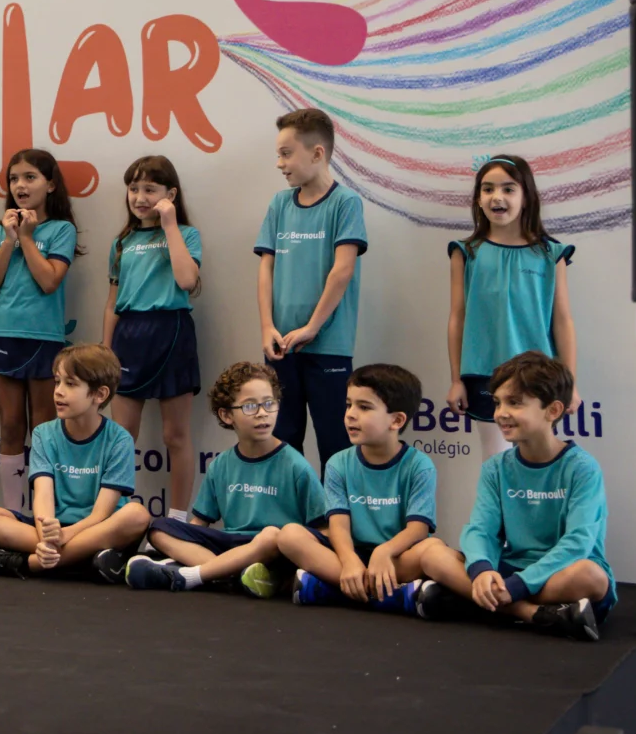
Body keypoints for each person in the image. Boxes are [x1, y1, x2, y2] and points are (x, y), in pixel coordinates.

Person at [414, 352, 613, 641]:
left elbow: (578, 542)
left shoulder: (582, 468)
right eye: (498, 402)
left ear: (553, 410)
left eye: (515, 402)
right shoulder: (496, 467)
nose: (501, 413)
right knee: (431, 553)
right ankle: (535, 614)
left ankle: (473, 601)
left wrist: (519, 585)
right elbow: (480, 529)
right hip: (509, 572)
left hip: (559, 573)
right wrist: (482, 570)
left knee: (590, 576)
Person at [126, 361, 324, 595]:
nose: (262, 413)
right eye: (250, 406)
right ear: (227, 415)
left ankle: (193, 575)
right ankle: (230, 574)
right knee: (160, 528)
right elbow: (199, 523)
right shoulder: (221, 464)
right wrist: (181, 539)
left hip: (272, 549)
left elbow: (322, 530)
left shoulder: (296, 465)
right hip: (229, 544)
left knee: (271, 536)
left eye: (269, 404)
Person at [0, 344, 149, 579]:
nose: (58, 391)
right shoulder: (44, 433)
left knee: (137, 515)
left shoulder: (119, 439)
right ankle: (81, 560)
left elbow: (101, 514)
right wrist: (48, 538)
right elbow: (43, 497)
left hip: (95, 528)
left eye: (70, 384)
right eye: (57, 382)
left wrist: (67, 535)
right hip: (52, 529)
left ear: (99, 395)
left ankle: (27, 563)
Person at [255, 108, 367, 466]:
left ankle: (334, 507)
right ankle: (291, 505)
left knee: (336, 443)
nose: (279, 163)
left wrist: (312, 327)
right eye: (278, 154)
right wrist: (267, 327)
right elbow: (266, 267)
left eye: (286, 154)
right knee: (282, 442)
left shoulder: (345, 203)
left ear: (317, 153)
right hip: (281, 347)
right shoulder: (279, 204)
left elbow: (342, 270)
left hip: (329, 346)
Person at [279, 364, 436, 613]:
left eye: (364, 407)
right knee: (289, 535)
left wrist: (384, 551)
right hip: (350, 554)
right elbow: (338, 525)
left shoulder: (419, 465)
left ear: (396, 420)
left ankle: (332, 590)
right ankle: (394, 597)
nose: (350, 414)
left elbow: (418, 529)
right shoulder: (338, 463)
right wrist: (350, 559)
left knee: (434, 552)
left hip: (395, 557)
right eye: (349, 404)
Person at [447, 154, 577, 457]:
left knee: (539, 461)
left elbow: (562, 320)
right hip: (485, 375)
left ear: (526, 197)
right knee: (496, 461)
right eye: (488, 189)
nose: (497, 197)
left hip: (540, 377)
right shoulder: (466, 252)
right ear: (478, 198)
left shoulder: (551, 254)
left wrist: (569, 383)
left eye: (508, 189)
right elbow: (457, 318)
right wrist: (456, 380)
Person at [103, 155, 202, 521]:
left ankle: (177, 520)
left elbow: (187, 280)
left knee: (175, 436)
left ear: (169, 194)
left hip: (171, 333)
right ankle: (117, 517)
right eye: (134, 188)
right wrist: (106, 350)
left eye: (150, 189)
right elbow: (112, 302)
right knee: (121, 436)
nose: (140, 197)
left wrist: (170, 224)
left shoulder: (186, 234)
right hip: (129, 337)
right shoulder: (122, 242)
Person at [0, 148, 77, 515]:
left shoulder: (62, 229)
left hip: (44, 339)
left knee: (43, 428)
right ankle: (12, 512)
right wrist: (9, 239)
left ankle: (43, 512)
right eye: (14, 178)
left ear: (50, 185)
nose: (20, 185)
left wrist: (28, 238)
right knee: (9, 425)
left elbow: (49, 281)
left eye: (30, 177)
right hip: (4, 335)